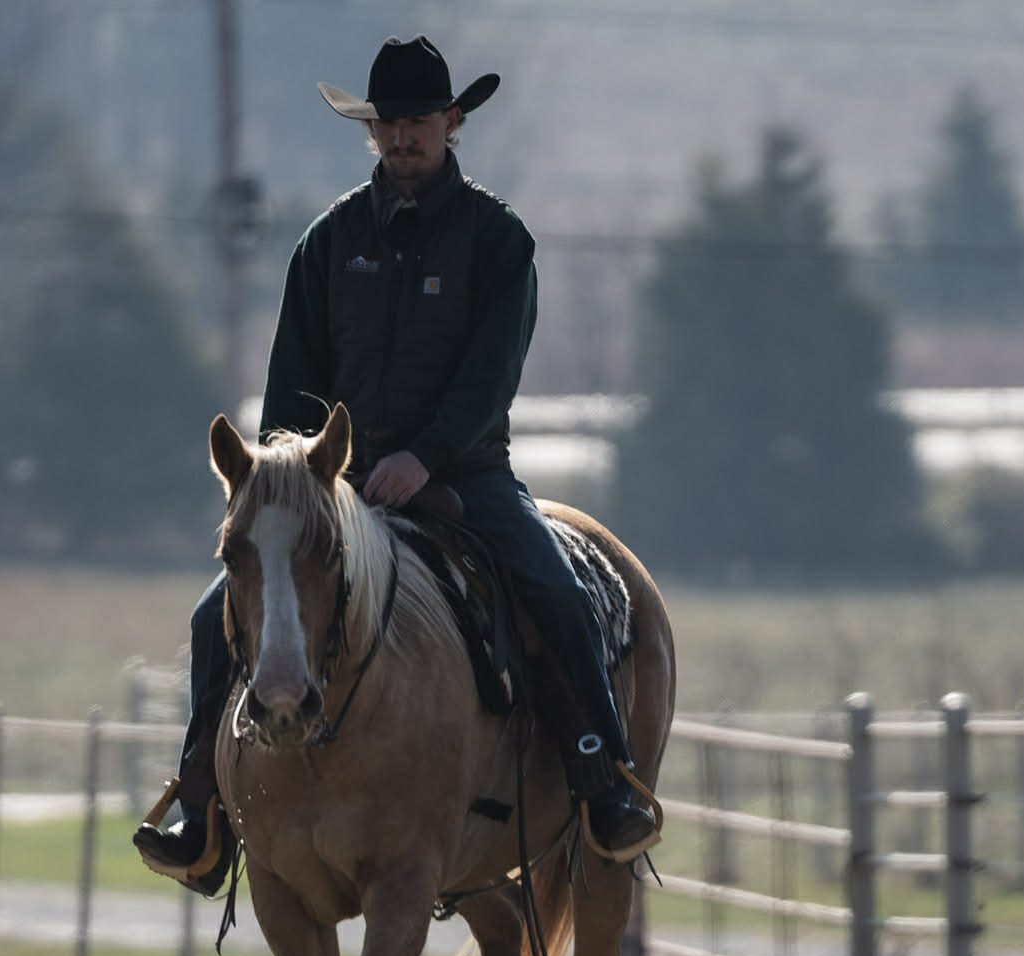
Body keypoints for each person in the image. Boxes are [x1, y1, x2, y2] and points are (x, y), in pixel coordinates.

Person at [136, 34, 659, 894]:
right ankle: (201, 809)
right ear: (372, 132)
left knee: (556, 593)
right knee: (211, 618)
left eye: (419, 122)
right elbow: (292, 391)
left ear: (452, 123)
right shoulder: (327, 242)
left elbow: (491, 377)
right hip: (333, 491)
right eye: (389, 125)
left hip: (467, 476)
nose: (403, 138)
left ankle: (604, 782)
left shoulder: (499, 241)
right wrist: (296, 479)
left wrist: (425, 458)